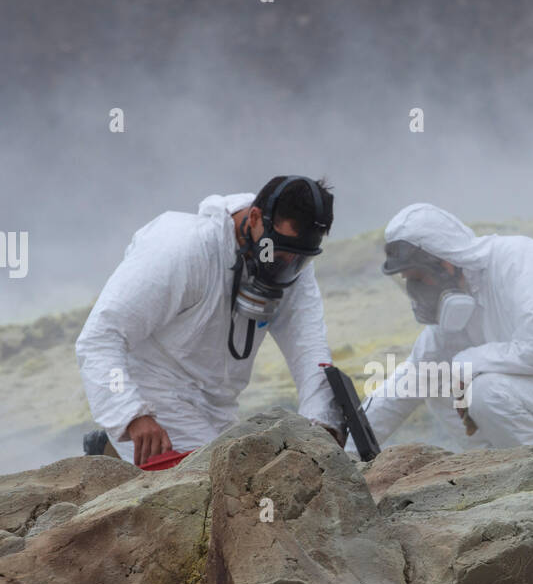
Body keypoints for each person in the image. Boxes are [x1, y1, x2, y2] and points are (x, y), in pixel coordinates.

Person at [77, 176, 342, 467]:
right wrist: (131, 415)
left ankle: (114, 458)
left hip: (219, 406)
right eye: (278, 252)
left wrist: (321, 426)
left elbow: (309, 349)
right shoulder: (181, 249)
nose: (286, 265)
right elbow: (100, 338)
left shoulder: (290, 261)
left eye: (300, 258)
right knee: (216, 490)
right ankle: (117, 454)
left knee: (248, 478)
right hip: (154, 396)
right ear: (255, 218)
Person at [358, 203, 533, 455]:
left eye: (418, 279)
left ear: (445, 264)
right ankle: (498, 472)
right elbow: (408, 384)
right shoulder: (455, 312)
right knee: (435, 377)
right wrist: (343, 452)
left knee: (485, 391)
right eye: (408, 282)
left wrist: (464, 364)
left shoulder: (519, 259)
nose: (416, 292)